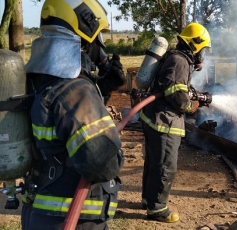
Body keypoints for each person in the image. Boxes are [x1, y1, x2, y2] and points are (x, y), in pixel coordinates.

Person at [21, 0, 125, 229]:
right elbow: (102, 164)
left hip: (39, 212)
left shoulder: (36, 81)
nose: (101, 45)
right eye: (100, 36)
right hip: (72, 218)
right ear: (86, 32)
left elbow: (61, 128)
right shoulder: (75, 91)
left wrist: (103, 89)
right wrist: (116, 150)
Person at [140, 22, 212, 223]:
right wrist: (191, 107)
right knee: (165, 166)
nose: (202, 55)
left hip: (154, 118)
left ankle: (148, 199)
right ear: (195, 45)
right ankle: (157, 209)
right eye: (203, 50)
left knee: (154, 162)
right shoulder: (180, 61)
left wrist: (197, 97)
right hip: (164, 122)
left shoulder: (176, 58)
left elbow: (177, 87)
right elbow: (177, 95)